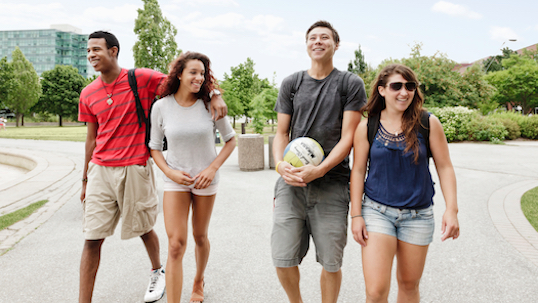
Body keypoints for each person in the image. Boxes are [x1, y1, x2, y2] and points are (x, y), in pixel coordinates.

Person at [78, 31, 228, 303]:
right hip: (103, 169)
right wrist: (84, 180)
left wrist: (214, 93)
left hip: (135, 166)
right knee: (92, 238)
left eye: (96, 49)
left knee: (152, 229)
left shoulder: (141, 79)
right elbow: (91, 139)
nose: (91, 55)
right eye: (88, 50)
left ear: (113, 51)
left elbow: (186, 81)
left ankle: (165, 273)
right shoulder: (88, 93)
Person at [272, 20, 367, 303]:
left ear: (336, 45)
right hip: (291, 184)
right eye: (312, 37)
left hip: (333, 184)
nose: (318, 41)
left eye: (324, 37)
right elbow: (280, 134)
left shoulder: (349, 83)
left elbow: (348, 137)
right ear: (306, 45)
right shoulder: (292, 83)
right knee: (282, 257)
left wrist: (321, 169)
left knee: (331, 262)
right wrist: (280, 165)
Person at [349, 64, 460, 303]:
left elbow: (445, 166)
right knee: (376, 291)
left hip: (418, 216)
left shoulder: (428, 123)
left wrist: (452, 209)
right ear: (381, 90)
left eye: (410, 86)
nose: (404, 92)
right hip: (377, 212)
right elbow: (358, 171)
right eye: (396, 86)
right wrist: (356, 215)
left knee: (409, 285)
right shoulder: (367, 126)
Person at [148, 52, 236, 303]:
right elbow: (154, 147)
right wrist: (169, 172)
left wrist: (212, 169)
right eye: (193, 72)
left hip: (205, 180)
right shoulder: (161, 107)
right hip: (175, 178)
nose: (199, 77)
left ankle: (198, 280)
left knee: (200, 236)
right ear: (179, 74)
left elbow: (230, 142)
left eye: (202, 73)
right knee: (176, 244)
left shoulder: (210, 104)